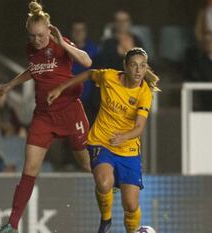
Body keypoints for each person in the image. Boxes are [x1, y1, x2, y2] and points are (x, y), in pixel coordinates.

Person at [0, 1, 92, 232]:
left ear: (49, 29)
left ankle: (114, 179)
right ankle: (12, 224)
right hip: (44, 116)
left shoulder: (61, 43)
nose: (36, 40)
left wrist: (63, 44)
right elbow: (34, 70)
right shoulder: (31, 49)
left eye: (40, 35)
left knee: (87, 164)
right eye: (32, 36)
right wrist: (10, 85)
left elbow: (87, 62)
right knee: (30, 168)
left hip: (70, 111)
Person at [47, 47, 159, 233]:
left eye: (142, 66)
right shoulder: (109, 77)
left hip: (128, 149)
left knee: (131, 205)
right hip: (102, 141)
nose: (138, 71)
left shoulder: (144, 93)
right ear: (125, 66)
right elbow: (89, 74)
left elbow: (139, 128)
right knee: (104, 183)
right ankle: (106, 220)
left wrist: (124, 136)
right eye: (134, 65)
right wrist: (61, 88)